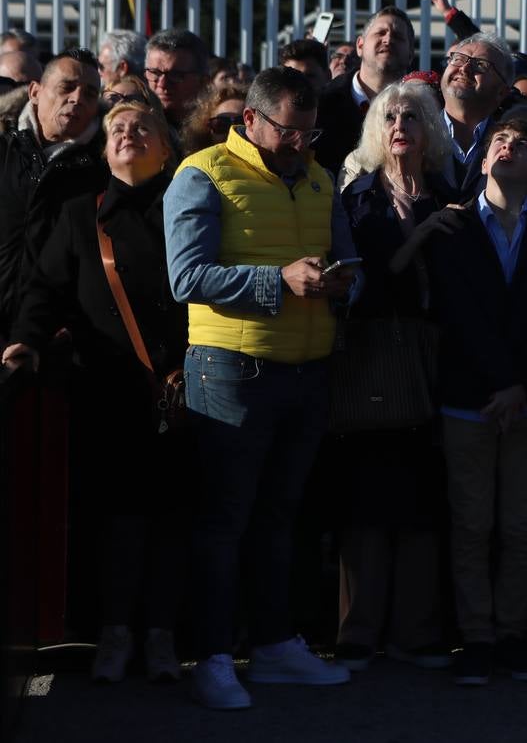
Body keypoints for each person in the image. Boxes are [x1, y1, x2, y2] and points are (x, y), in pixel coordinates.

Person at [164, 66, 358, 710]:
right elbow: (187, 276)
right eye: (288, 131)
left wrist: (343, 283)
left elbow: (347, 264)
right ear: (250, 119)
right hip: (231, 373)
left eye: (310, 132)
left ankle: (273, 645)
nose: (301, 143)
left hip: (306, 371)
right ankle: (214, 657)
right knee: (225, 521)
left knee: (278, 520)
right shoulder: (203, 173)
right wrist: (279, 282)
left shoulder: (321, 177)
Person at [3, 100, 188, 684]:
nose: (128, 135)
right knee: (118, 522)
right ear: (105, 150)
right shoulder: (83, 215)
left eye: (142, 128)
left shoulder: (191, 209)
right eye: (117, 130)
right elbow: (43, 289)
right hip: (110, 392)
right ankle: (113, 634)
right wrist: (25, 341)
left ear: (166, 146)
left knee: (174, 521)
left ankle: (162, 636)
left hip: (187, 392)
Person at [418, 109, 527, 686]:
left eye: (524, 143)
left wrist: (521, 384)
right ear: (483, 158)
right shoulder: (455, 227)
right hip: (470, 396)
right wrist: (501, 381)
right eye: (500, 140)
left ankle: (512, 633)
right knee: (471, 523)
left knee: (520, 525)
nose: (509, 147)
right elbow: (459, 313)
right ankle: (477, 636)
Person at [333, 82, 455, 673]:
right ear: (375, 133)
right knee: (367, 502)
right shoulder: (358, 200)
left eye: (412, 115)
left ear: (431, 129)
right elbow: (363, 287)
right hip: (375, 358)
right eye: (390, 116)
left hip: (439, 364)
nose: (401, 123)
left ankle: (418, 632)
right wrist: (421, 241)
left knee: (424, 501)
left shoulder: (451, 195)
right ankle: (358, 633)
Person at [0, 48, 105, 341]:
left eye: (90, 94)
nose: (76, 99)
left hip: (60, 341)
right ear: (34, 91)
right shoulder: (3, 151)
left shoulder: (102, 173)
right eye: (67, 87)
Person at [314, 7, 415, 173]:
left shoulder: (423, 112)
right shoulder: (321, 104)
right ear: (360, 45)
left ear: (411, 54)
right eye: (380, 33)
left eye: (398, 36)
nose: (388, 40)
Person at [436, 33, 515, 202]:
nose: (464, 69)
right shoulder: (414, 132)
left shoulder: (513, 148)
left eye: (480, 64)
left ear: (502, 91)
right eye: (458, 59)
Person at [145, 29, 210, 132]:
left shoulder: (218, 129)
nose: (162, 84)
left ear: (203, 81)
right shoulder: (131, 126)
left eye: (175, 75)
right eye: (155, 73)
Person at [180, 83, 248, 156]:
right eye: (221, 124)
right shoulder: (195, 166)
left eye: (241, 122)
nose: (231, 131)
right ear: (206, 129)